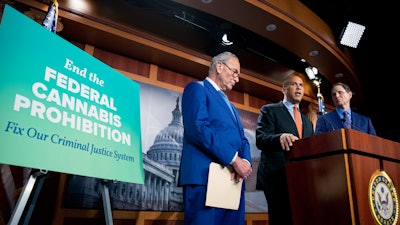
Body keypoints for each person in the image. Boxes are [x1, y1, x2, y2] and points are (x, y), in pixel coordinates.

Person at [178, 51, 253, 225]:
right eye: (235, 72)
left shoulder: (232, 106)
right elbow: (198, 128)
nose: (237, 78)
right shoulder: (197, 89)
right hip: (205, 179)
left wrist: (246, 163)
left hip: (233, 180)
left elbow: (243, 139)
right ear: (219, 66)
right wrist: (235, 160)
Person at [255, 73, 314, 225]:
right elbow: (260, 139)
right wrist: (279, 138)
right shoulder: (270, 110)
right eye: (294, 84)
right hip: (277, 178)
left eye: (301, 85)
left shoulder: (307, 122)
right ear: (284, 89)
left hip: (301, 180)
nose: (299, 88)